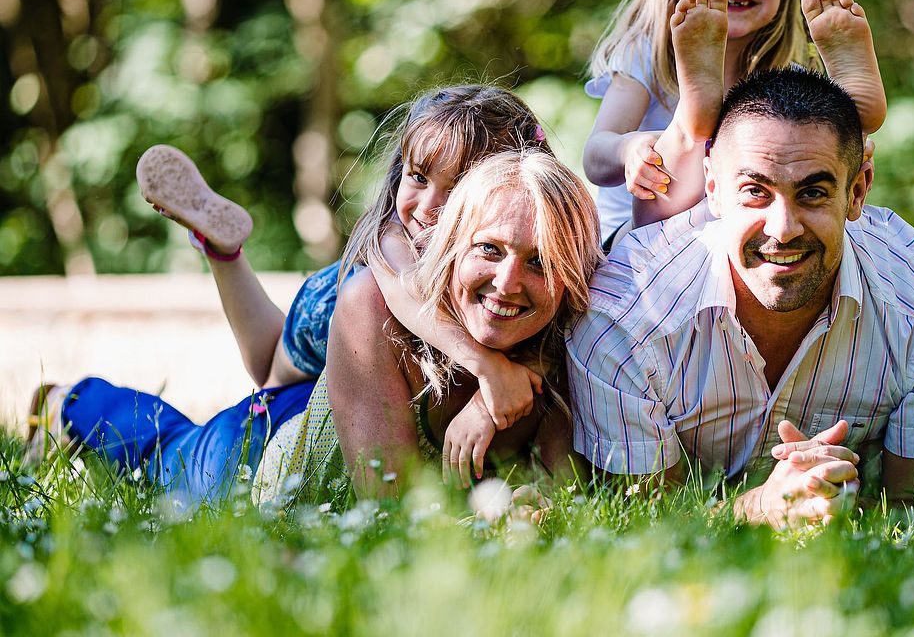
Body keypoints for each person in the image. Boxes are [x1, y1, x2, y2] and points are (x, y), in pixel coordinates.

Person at [26, 150, 601, 506]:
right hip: (259, 454)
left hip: (329, 392)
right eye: (489, 249)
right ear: (452, 241)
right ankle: (68, 403)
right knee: (169, 452)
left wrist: (530, 500)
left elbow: (561, 496)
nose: (508, 281)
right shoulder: (379, 288)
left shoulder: (565, 345)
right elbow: (392, 513)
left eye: (540, 262)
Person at [567, 62, 914, 529]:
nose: (783, 229)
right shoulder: (625, 318)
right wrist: (759, 508)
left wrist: (835, 503)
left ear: (857, 191)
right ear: (712, 188)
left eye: (813, 193)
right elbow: (645, 522)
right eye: (755, 191)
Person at [583, 0, 887, 247]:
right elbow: (595, 158)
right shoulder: (646, 53)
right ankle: (691, 123)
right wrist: (629, 150)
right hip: (641, 240)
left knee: (815, 155)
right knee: (680, 151)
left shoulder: (784, 79)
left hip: (743, 235)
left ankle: (848, 123)